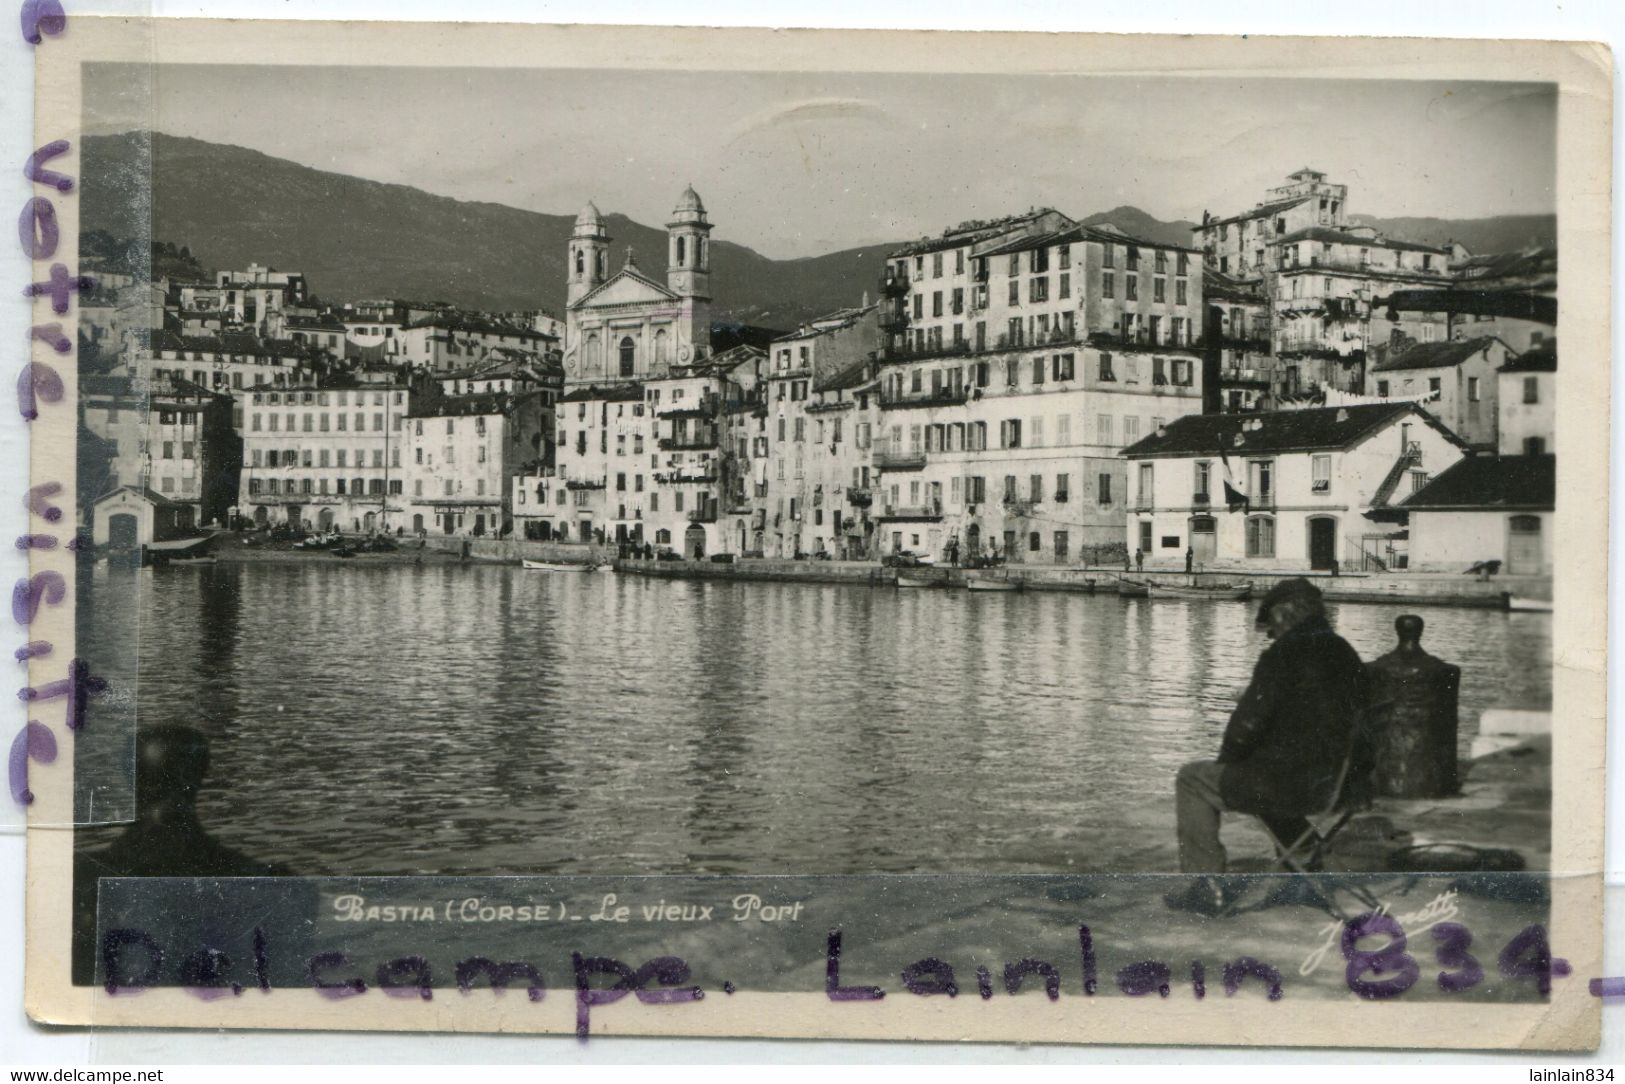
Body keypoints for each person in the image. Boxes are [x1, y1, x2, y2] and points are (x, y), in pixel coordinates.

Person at [1166, 577, 1371, 915]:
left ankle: (1206, 886)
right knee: (1271, 776)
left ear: (1284, 615)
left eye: (1270, 622)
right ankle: (1302, 875)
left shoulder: (1281, 656)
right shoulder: (1345, 651)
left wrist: (1228, 766)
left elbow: (1243, 729)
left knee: (1193, 779)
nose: (1268, 632)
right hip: (1343, 785)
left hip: (1297, 786)